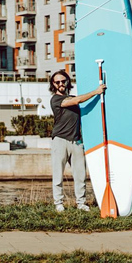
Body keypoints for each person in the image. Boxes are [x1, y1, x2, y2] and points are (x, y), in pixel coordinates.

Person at [49, 69, 105, 213]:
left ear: (67, 82)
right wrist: (96, 92)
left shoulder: (73, 97)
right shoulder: (56, 99)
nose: (60, 84)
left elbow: (82, 104)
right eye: (57, 82)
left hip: (76, 141)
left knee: (80, 175)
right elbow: (77, 100)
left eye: (63, 81)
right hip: (60, 140)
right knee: (58, 174)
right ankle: (58, 203)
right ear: (53, 84)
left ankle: (81, 202)